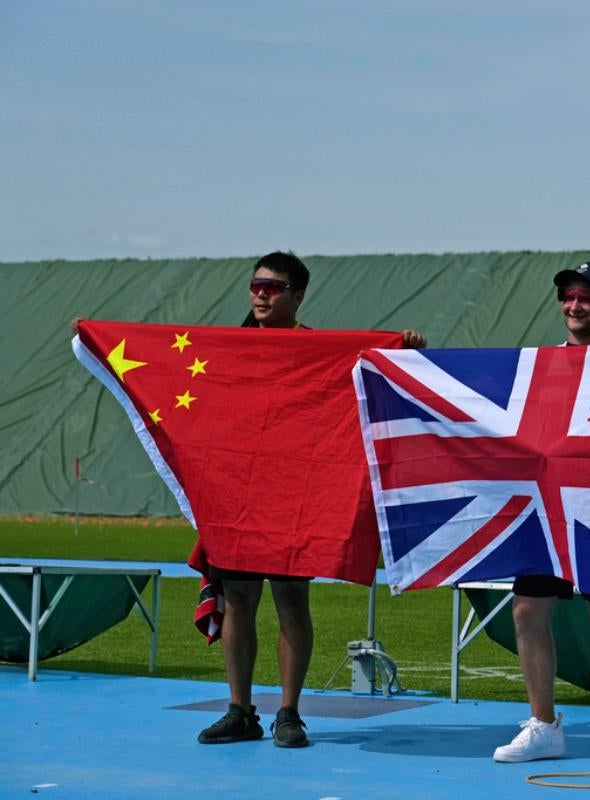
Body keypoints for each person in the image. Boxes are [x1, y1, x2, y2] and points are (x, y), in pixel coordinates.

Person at [197, 251, 425, 748]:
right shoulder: (227, 348)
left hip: (291, 492)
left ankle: (288, 712)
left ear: (297, 296)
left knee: (291, 601)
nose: (261, 293)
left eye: (273, 287)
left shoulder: (318, 350)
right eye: (256, 284)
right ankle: (240, 711)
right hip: (237, 490)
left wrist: (399, 351)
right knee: (237, 599)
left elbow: (370, 376)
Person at [492, 261, 590, 771]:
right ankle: (544, 725)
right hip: (546, 504)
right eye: (569, 296)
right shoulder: (542, 363)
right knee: (528, 611)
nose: (576, 306)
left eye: (588, 297)